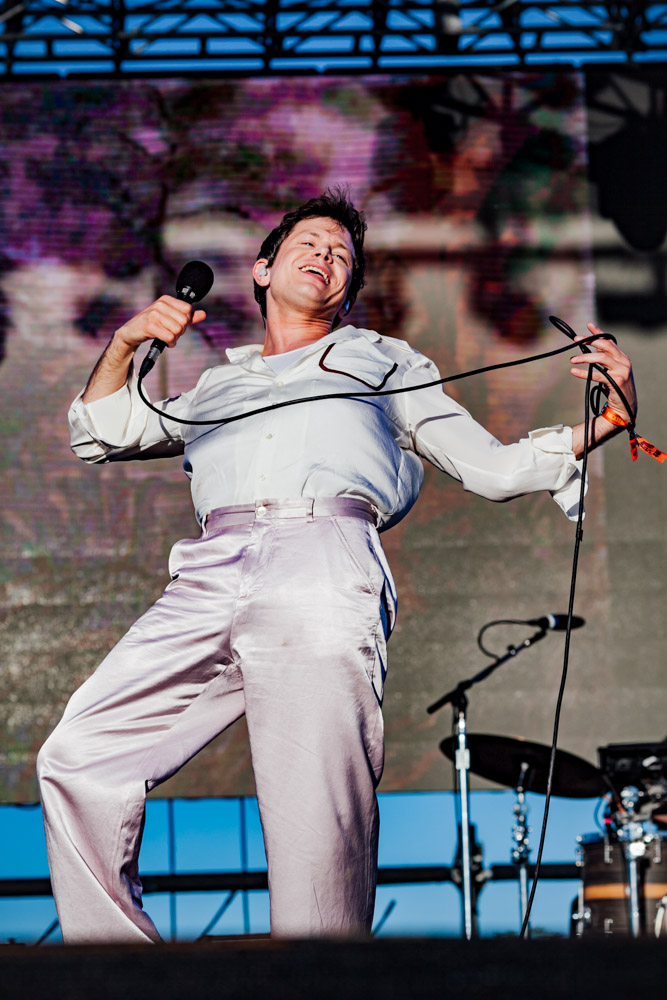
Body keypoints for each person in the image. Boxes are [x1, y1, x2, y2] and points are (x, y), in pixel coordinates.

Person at [37, 189, 636, 944]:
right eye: (309, 244)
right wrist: (125, 345)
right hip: (209, 567)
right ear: (261, 269)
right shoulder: (218, 385)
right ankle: (120, 969)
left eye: (341, 255)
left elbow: (494, 469)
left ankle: (321, 980)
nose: (325, 256)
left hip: (321, 559)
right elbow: (101, 432)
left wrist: (607, 419)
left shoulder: (382, 361)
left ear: (347, 290)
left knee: (314, 805)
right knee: (80, 753)